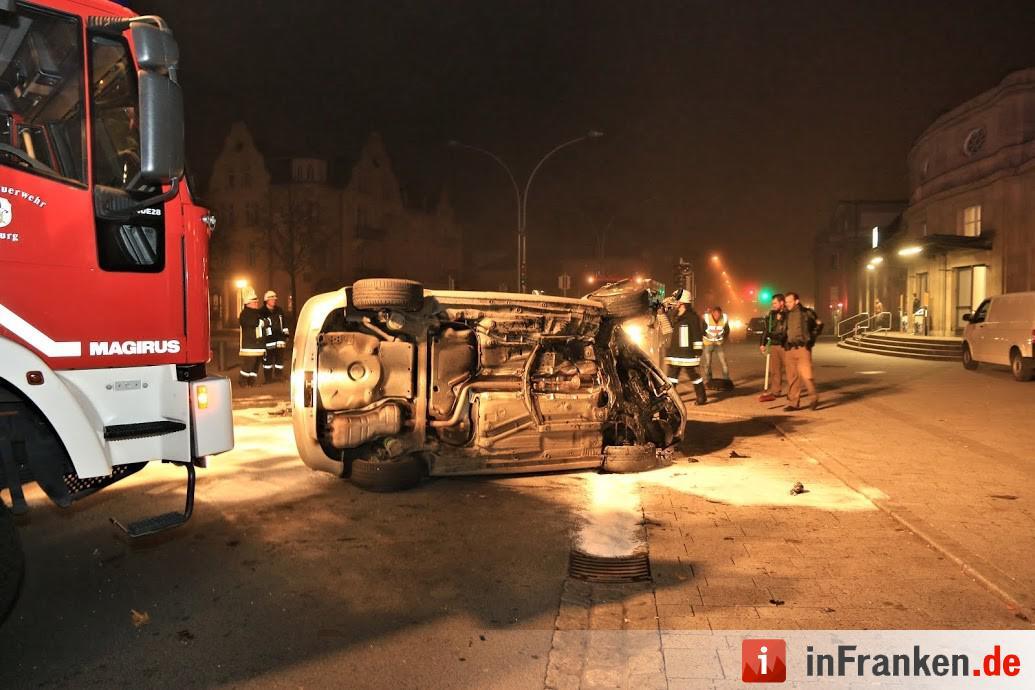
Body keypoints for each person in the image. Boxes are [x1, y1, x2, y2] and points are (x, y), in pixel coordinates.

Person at [662, 288, 707, 406]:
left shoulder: (692, 317)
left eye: (676, 300)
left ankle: (701, 397)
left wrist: (698, 350)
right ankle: (670, 400)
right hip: (675, 352)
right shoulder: (675, 315)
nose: (674, 302)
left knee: (695, 376)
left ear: (682, 302)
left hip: (688, 354)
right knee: (672, 378)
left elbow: (697, 334)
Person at [782, 292, 823, 411]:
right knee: (792, 377)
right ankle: (793, 403)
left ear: (796, 301)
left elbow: (819, 325)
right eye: (786, 302)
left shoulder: (807, 313)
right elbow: (784, 329)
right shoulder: (786, 314)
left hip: (803, 348)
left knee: (806, 375)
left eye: (789, 301)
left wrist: (811, 340)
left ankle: (814, 397)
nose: (787, 304)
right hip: (790, 348)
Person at [758, 293, 787, 402]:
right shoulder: (771, 315)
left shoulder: (788, 314)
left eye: (775, 303)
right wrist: (762, 343)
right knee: (775, 370)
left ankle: (794, 392)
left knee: (791, 370)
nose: (773, 305)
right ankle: (776, 391)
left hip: (785, 345)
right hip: (774, 345)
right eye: (772, 303)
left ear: (782, 302)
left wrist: (782, 319)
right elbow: (767, 330)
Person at [238, 287, 266, 387]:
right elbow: (252, 323)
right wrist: (260, 322)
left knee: (256, 364)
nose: (256, 303)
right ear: (248, 303)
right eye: (254, 302)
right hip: (250, 345)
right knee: (249, 364)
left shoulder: (257, 313)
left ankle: (251, 381)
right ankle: (243, 381)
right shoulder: (245, 314)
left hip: (258, 344)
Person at [260, 290, 290, 383]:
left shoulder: (279, 310)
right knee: (268, 360)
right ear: (266, 300)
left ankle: (278, 375)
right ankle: (268, 378)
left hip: (279, 338)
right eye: (271, 299)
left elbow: (284, 323)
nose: (274, 301)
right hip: (268, 339)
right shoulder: (262, 312)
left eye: (274, 299)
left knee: (279, 360)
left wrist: (286, 334)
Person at [701, 305, 731, 388]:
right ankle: (708, 379)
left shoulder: (724, 319)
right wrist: (706, 336)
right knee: (707, 363)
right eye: (715, 314)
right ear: (712, 314)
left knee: (724, 362)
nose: (717, 316)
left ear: (720, 314)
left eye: (718, 314)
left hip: (719, 344)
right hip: (708, 344)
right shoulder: (707, 319)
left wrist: (724, 337)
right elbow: (702, 330)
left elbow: (727, 330)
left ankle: (726, 379)